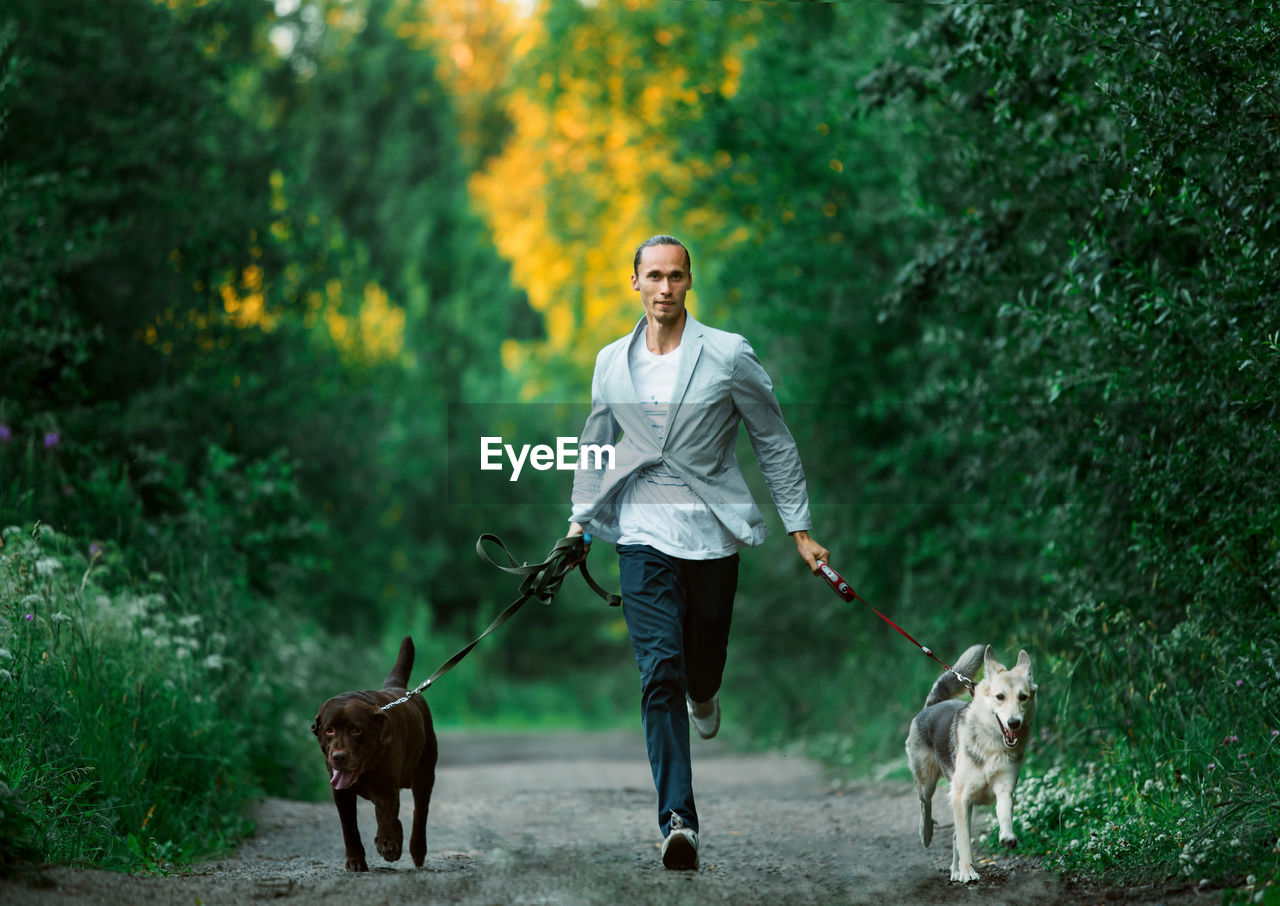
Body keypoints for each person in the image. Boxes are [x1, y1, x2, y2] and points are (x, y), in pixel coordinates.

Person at [567, 234, 829, 870]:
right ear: (635, 283)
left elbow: (773, 439)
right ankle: (677, 820)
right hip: (641, 537)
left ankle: (705, 692)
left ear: (689, 282)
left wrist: (799, 528)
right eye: (653, 276)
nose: (664, 288)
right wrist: (577, 525)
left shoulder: (729, 355)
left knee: (700, 669)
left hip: (712, 536)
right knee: (660, 671)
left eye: (675, 276)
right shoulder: (611, 362)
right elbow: (596, 442)